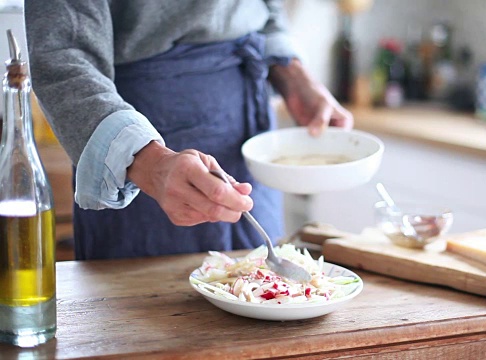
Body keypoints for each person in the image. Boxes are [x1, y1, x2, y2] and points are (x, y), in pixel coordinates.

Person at [24, 0, 353, 260]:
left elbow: (266, 10)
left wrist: (293, 75)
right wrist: (149, 163)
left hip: (248, 125)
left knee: (266, 293)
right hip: (142, 149)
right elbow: (63, 55)